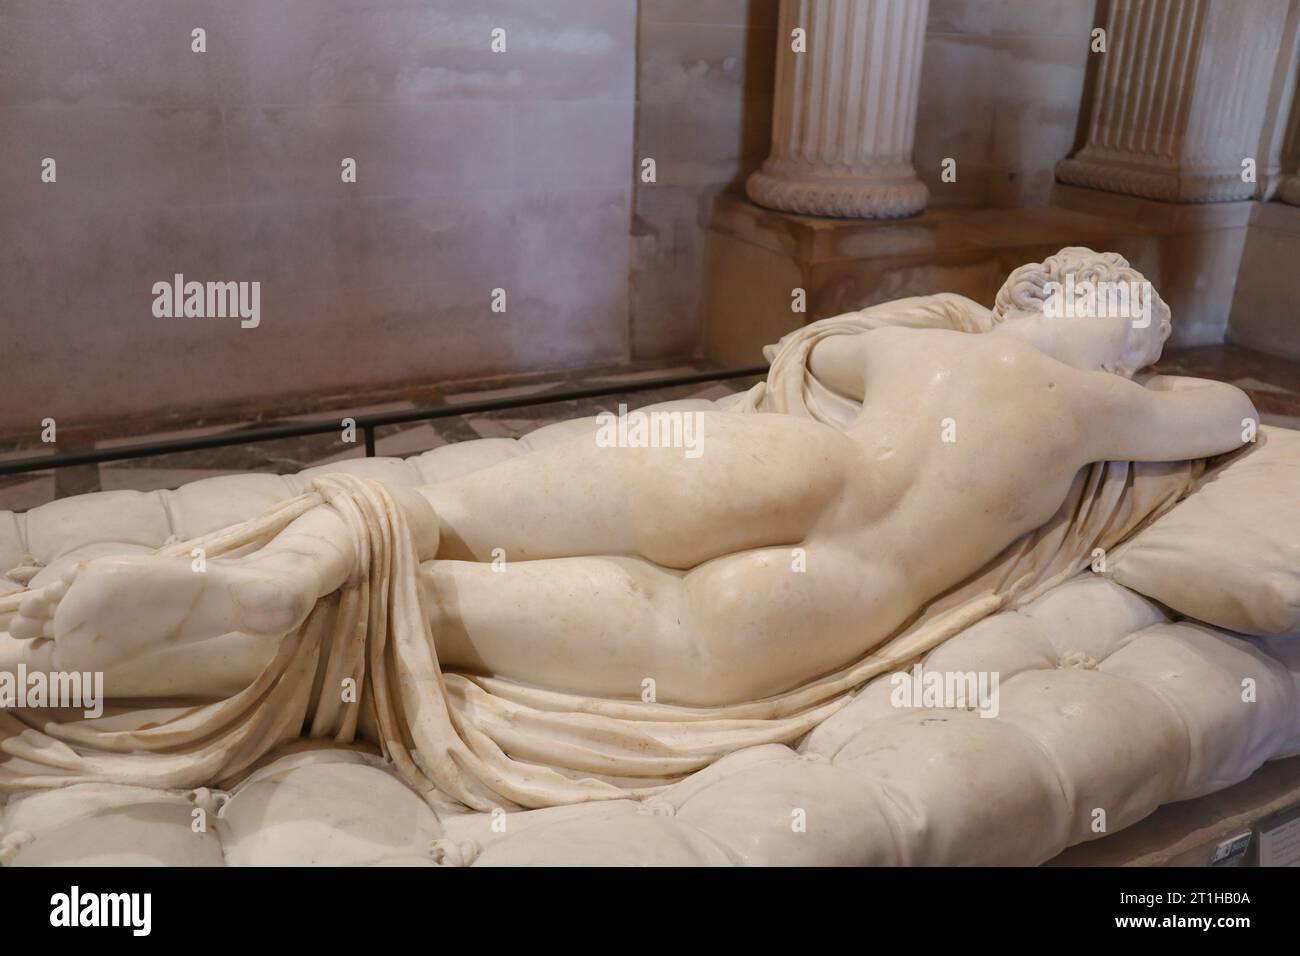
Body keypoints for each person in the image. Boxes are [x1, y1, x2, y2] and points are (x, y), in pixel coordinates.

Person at [7, 249, 1257, 708]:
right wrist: (1149, 377)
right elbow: (1230, 409)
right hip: (830, 600)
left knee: (455, 509)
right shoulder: (1104, 403)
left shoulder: (913, 343)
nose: (1137, 340)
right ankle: (202, 642)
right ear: (1102, 332)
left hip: (774, 459)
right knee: (440, 630)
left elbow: (800, 358)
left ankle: (282, 564)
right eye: (1131, 321)